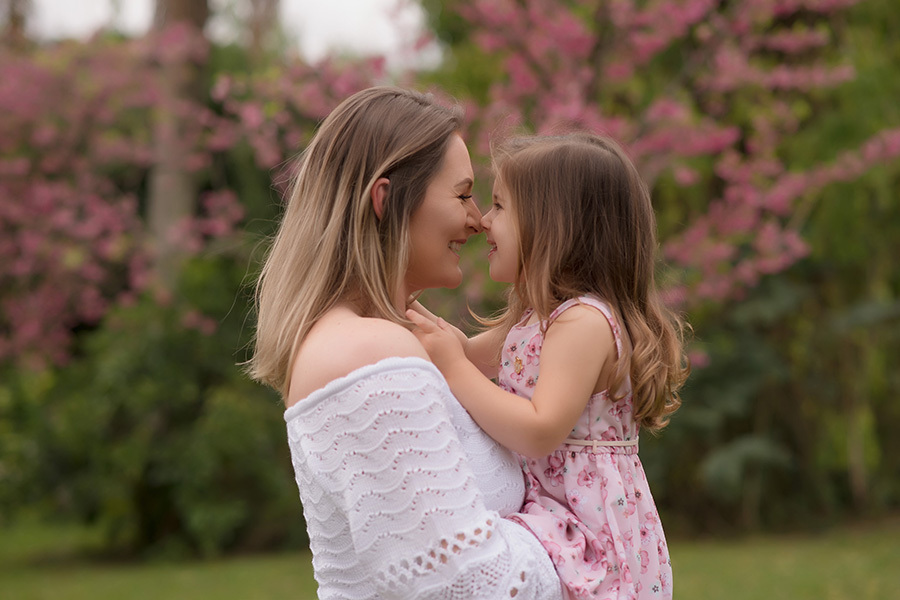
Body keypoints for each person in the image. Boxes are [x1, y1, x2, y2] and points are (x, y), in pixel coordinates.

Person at [247, 86, 563, 599]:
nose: (479, 218)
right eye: (462, 194)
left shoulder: (378, 342)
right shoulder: (365, 354)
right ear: (386, 198)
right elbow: (468, 585)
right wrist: (583, 536)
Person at [407, 132, 690, 600]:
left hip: (593, 534)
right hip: (557, 516)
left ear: (552, 226)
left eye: (500, 206)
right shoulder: (538, 319)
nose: (483, 221)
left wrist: (452, 365)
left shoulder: (583, 323)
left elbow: (540, 429)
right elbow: (462, 351)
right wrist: (404, 309)